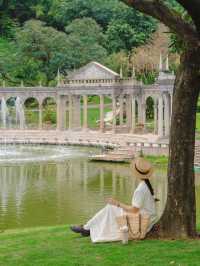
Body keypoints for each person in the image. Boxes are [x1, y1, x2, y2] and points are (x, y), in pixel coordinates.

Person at [70, 157, 158, 243]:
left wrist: (117, 203)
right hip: (147, 217)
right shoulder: (146, 185)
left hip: (143, 220)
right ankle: (87, 227)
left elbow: (134, 210)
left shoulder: (141, 189)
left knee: (111, 208)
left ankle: (86, 228)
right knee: (111, 208)